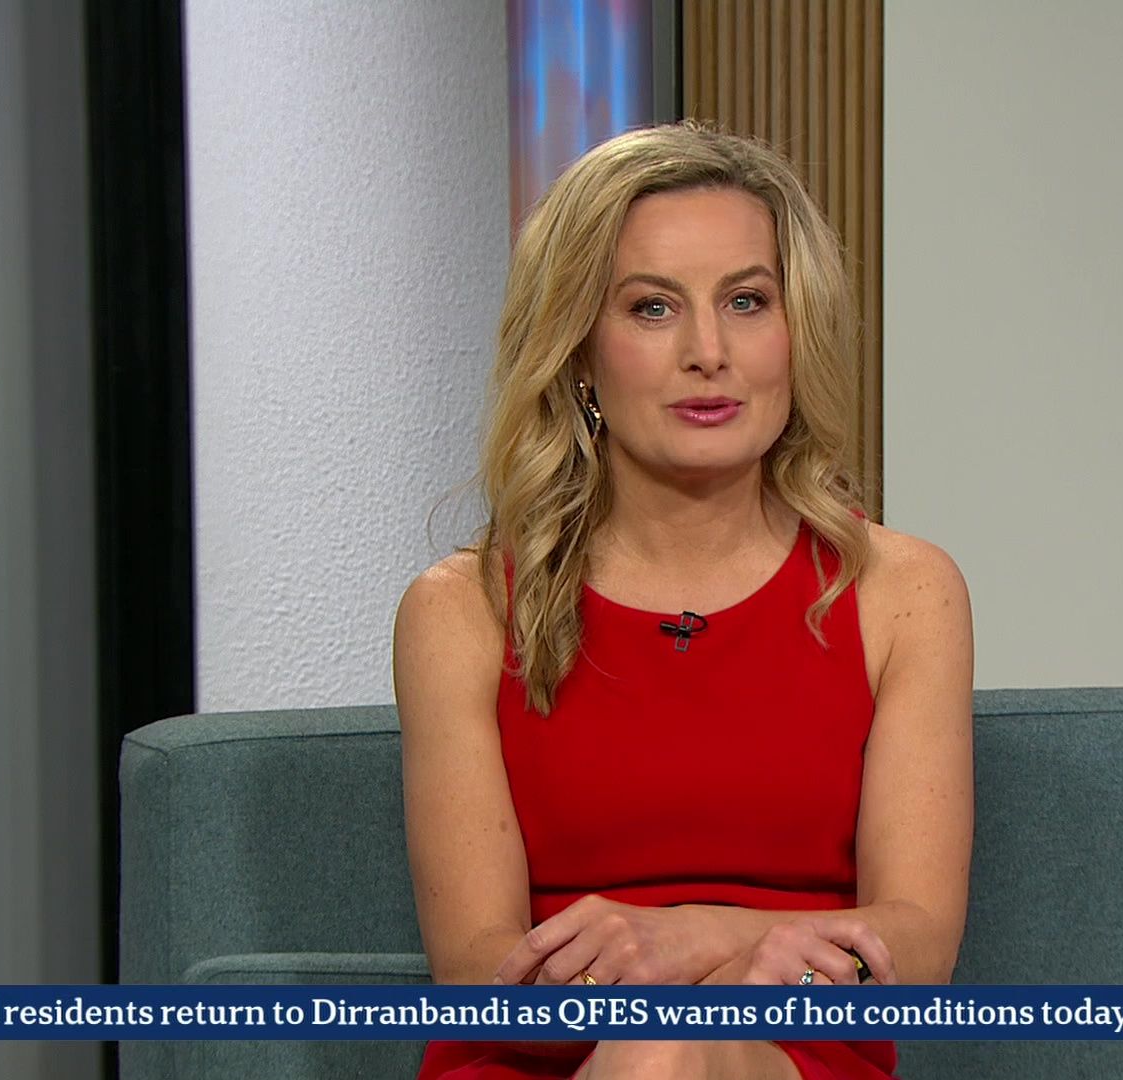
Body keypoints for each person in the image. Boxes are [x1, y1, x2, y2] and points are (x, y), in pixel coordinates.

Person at [392, 121, 973, 1080]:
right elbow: (475, 969)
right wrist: (664, 996)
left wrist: (695, 940)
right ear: (580, 351)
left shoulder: (904, 593)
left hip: (793, 1044)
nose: (709, 351)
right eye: (653, 308)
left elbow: (917, 944)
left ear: (796, 331)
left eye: (747, 301)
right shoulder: (461, 610)